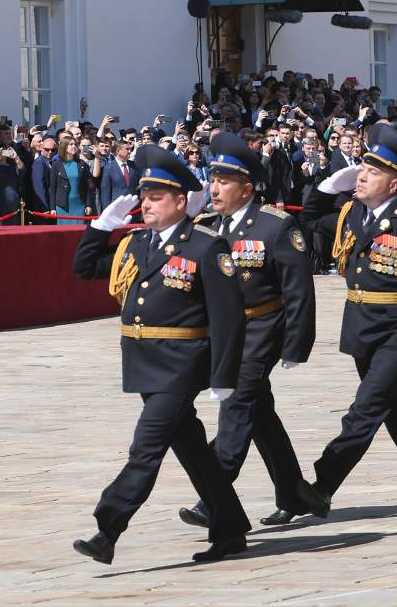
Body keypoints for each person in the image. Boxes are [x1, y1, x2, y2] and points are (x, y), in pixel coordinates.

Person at [70, 145, 250, 564]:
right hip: (144, 361)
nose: (145, 205)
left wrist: (223, 376)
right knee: (193, 450)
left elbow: (228, 319)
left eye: (155, 198)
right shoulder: (136, 244)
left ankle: (107, 528)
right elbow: (85, 268)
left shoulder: (206, 246)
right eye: (144, 197)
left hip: (181, 364)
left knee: (145, 448)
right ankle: (230, 526)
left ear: (180, 202)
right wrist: (100, 227)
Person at [296, 123, 397, 532]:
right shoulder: (353, 215)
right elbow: (311, 219)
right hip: (362, 329)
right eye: (361, 168)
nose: (361, 175)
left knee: (364, 410)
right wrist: (328, 184)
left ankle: (321, 484)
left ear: (394, 182)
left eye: (372, 171)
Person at [178, 133, 316, 528]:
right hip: (225, 332)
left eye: (224, 180)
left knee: (236, 401)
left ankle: (214, 494)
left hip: (262, 326)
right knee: (259, 413)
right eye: (212, 178)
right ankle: (292, 491)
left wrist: (296, 344)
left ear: (247, 188)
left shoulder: (275, 226)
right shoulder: (206, 227)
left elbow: (298, 290)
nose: (213, 187)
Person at [49, 136, 93, 225]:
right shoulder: (56, 165)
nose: (74, 146)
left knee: (79, 234)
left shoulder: (81, 164)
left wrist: (88, 204)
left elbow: (86, 187)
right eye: (71, 144)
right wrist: (52, 208)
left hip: (79, 205)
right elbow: (53, 188)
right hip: (63, 206)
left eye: (75, 144)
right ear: (64, 146)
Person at [0, 130, 26, 225]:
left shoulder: (12, 166)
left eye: (5, 151)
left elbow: (23, 170)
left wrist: (16, 157)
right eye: (1, 151)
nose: (4, 153)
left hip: (13, 206)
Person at [99, 140, 138, 208]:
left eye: (130, 149)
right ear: (118, 151)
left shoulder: (134, 165)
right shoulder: (108, 168)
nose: (130, 151)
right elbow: (105, 193)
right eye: (127, 149)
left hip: (134, 209)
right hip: (116, 209)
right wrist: (107, 210)